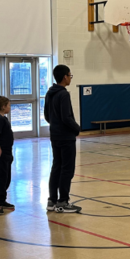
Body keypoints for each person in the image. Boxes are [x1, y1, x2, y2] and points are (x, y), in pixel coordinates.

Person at [44, 65, 81, 213]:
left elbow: (47, 115)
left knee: (57, 167)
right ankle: (63, 201)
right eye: (70, 75)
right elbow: (66, 117)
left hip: (55, 135)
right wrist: (77, 128)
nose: (70, 78)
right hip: (66, 137)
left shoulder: (49, 93)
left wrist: (55, 125)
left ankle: (52, 200)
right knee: (67, 169)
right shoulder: (63, 94)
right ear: (65, 76)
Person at [0, 96, 14, 216]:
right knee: (2, 177)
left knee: (6, 177)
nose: (10, 107)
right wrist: (0, 152)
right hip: (2, 152)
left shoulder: (2, 118)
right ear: (3, 106)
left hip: (7, 152)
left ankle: (3, 200)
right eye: (8, 105)